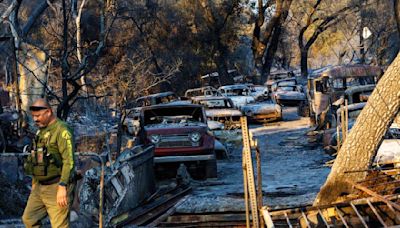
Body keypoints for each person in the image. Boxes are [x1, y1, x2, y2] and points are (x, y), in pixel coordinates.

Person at [22, 98, 76, 228]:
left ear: (49, 112)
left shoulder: (62, 130)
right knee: (29, 219)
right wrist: (35, 183)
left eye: (38, 116)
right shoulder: (41, 131)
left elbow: (68, 160)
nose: (35, 119)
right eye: (34, 116)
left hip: (57, 186)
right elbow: (38, 159)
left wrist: (63, 186)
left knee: (59, 225)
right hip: (40, 187)